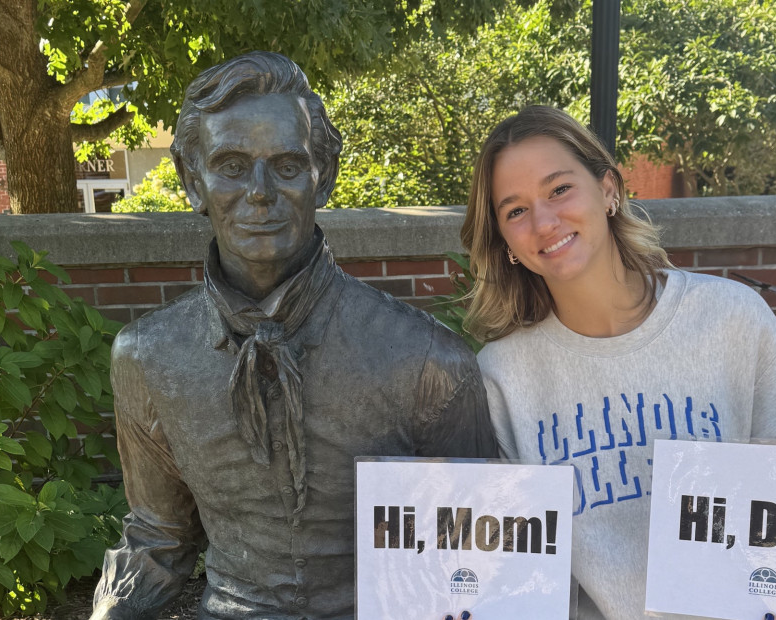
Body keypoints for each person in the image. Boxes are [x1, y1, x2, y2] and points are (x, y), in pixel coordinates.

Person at [91, 52, 497, 620]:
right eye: (231, 166)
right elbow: (157, 538)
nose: (259, 192)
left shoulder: (427, 360)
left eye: (286, 165)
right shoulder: (148, 358)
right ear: (191, 178)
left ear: (322, 176)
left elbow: (481, 548)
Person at [459, 106, 776, 619]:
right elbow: (509, 566)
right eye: (515, 210)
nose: (544, 221)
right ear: (505, 241)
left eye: (560, 189)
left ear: (608, 190)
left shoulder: (731, 318)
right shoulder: (502, 374)